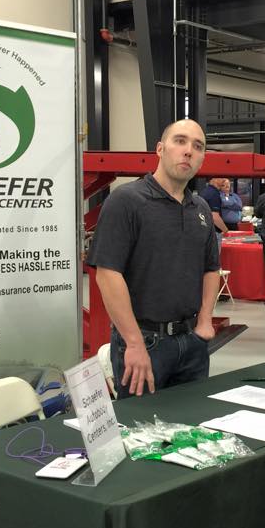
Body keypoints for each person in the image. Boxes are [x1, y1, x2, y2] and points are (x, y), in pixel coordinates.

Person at [88, 119, 220, 398]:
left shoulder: (201, 209)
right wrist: (134, 343)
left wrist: (205, 320)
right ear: (160, 149)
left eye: (198, 146)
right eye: (180, 141)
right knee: (142, 434)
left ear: (202, 158)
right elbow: (107, 274)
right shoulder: (127, 201)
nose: (188, 151)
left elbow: (211, 269)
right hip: (144, 344)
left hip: (192, 343)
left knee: (193, 426)